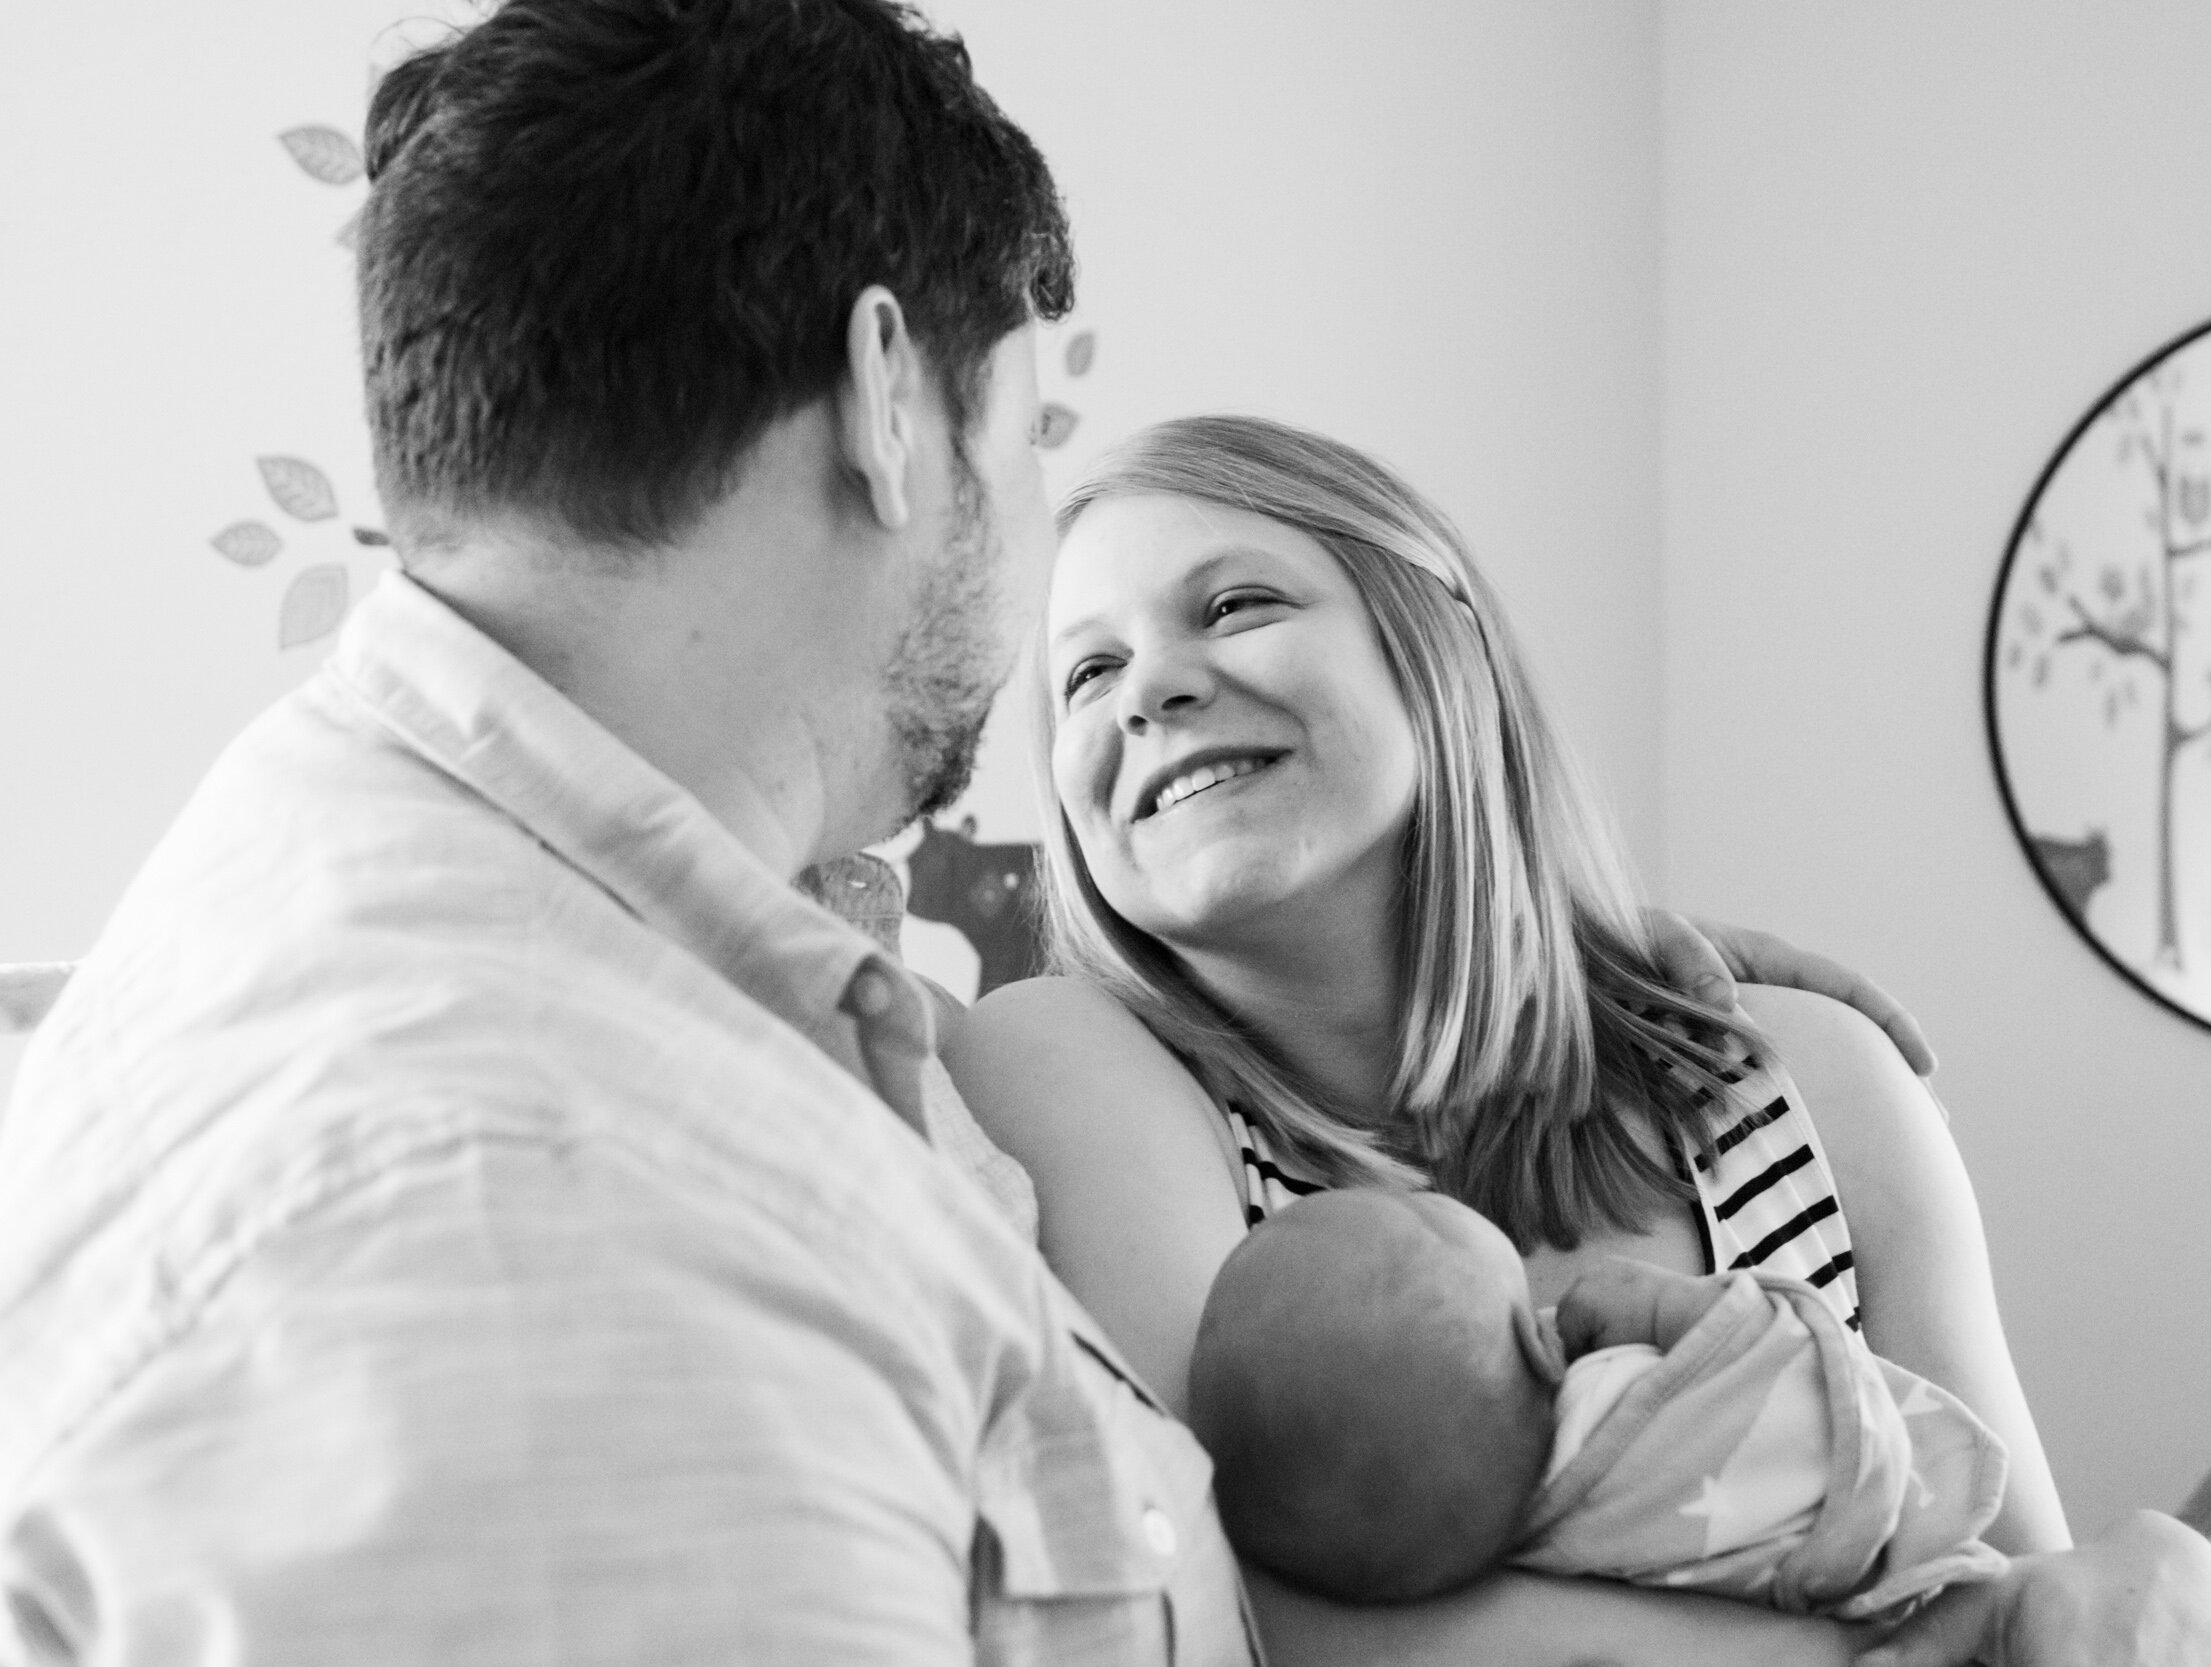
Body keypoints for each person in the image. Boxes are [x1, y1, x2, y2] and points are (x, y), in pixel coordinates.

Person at [0, 5, 1934, 1661]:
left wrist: (1609, 962)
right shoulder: (556, 1211)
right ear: (890, 405)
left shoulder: (660, 989)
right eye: (1025, 442)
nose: (1100, 674)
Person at [944, 413, 2211, 1666]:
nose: (1150, 686)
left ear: (1441, 643)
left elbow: (2041, 1593)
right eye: (1085, 671)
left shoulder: (1820, 1086)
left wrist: (2140, 1592)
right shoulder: (1064, 1066)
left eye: (1236, 603)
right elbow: (1229, 1613)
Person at [1187, 1188, 2008, 1619]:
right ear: (1542, 1347)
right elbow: (1834, 1425)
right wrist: (1686, 1315)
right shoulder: (1622, 1424)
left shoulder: (1495, 1549)